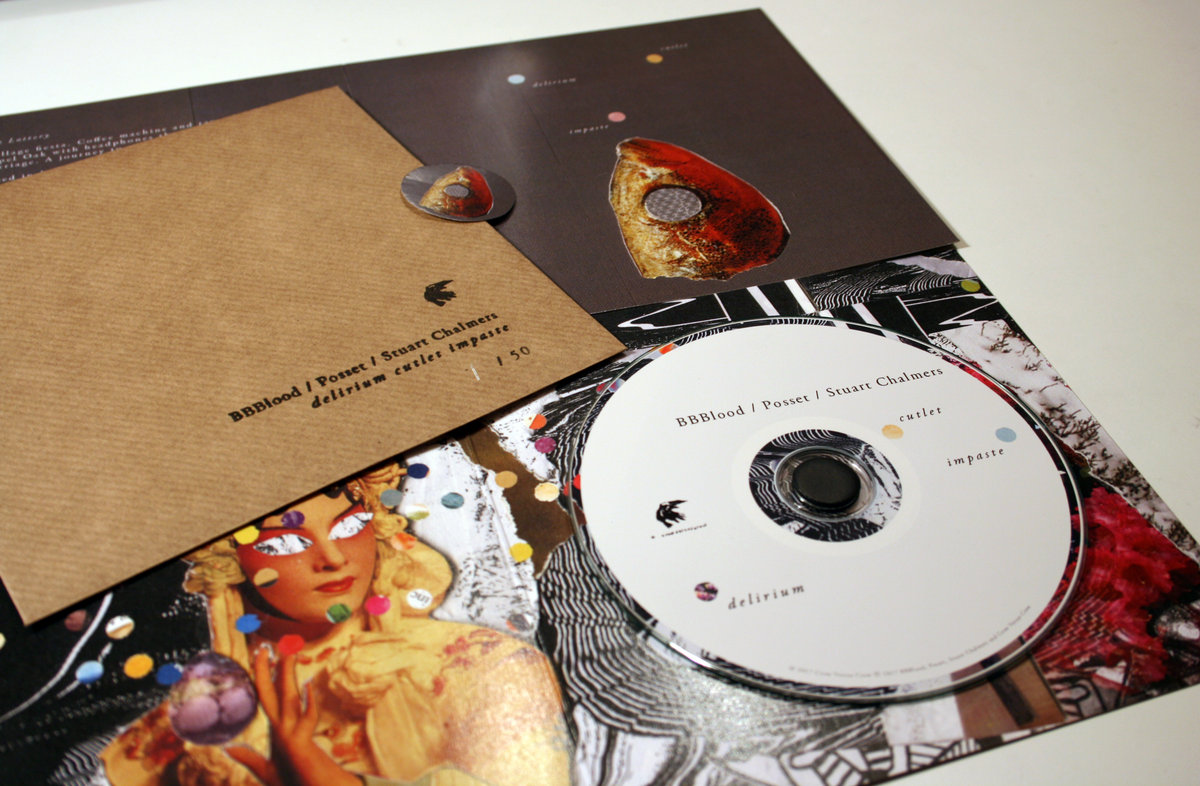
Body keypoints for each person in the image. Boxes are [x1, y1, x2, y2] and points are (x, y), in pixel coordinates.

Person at [100, 462, 570, 786]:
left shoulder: (484, 667)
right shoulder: (177, 736)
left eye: (348, 526)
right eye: (284, 543)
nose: (332, 558)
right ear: (229, 560)